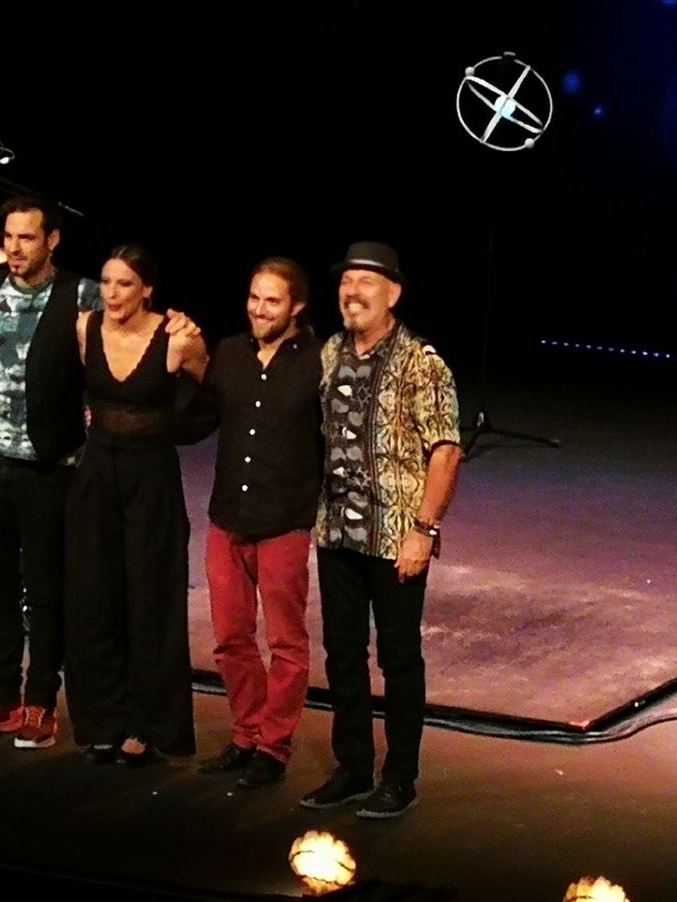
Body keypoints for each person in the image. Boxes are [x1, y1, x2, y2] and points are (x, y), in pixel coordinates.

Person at [299, 241, 461, 819]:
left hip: (396, 537)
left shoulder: (422, 361)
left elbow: (445, 451)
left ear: (392, 293)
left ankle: (400, 777)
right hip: (336, 530)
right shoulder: (328, 353)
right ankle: (351, 768)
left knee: (398, 659)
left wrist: (425, 530)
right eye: (346, 282)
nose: (352, 292)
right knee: (342, 654)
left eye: (365, 283)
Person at [0, 195, 101, 750]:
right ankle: (1, 694)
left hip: (50, 466)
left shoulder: (80, 294)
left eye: (26, 238)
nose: (13, 248)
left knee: (46, 587)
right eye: (8, 237)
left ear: (52, 240)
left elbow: (104, 368)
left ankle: (40, 702)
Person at [63, 243, 208, 766]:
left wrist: (174, 429)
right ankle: (103, 719)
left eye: (125, 284)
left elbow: (212, 394)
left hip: (151, 476)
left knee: (149, 599)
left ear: (147, 288)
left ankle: (148, 726)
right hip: (97, 473)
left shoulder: (176, 338)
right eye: (106, 283)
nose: (113, 294)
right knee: (94, 596)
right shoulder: (84, 328)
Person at [183, 257, 323, 788]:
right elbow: (198, 420)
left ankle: (274, 746)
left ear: (296, 308)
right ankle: (246, 735)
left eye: (272, 301)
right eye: (254, 297)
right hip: (228, 519)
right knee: (230, 638)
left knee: (286, 643)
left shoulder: (316, 362)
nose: (259, 309)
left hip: (284, 520)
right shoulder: (232, 354)